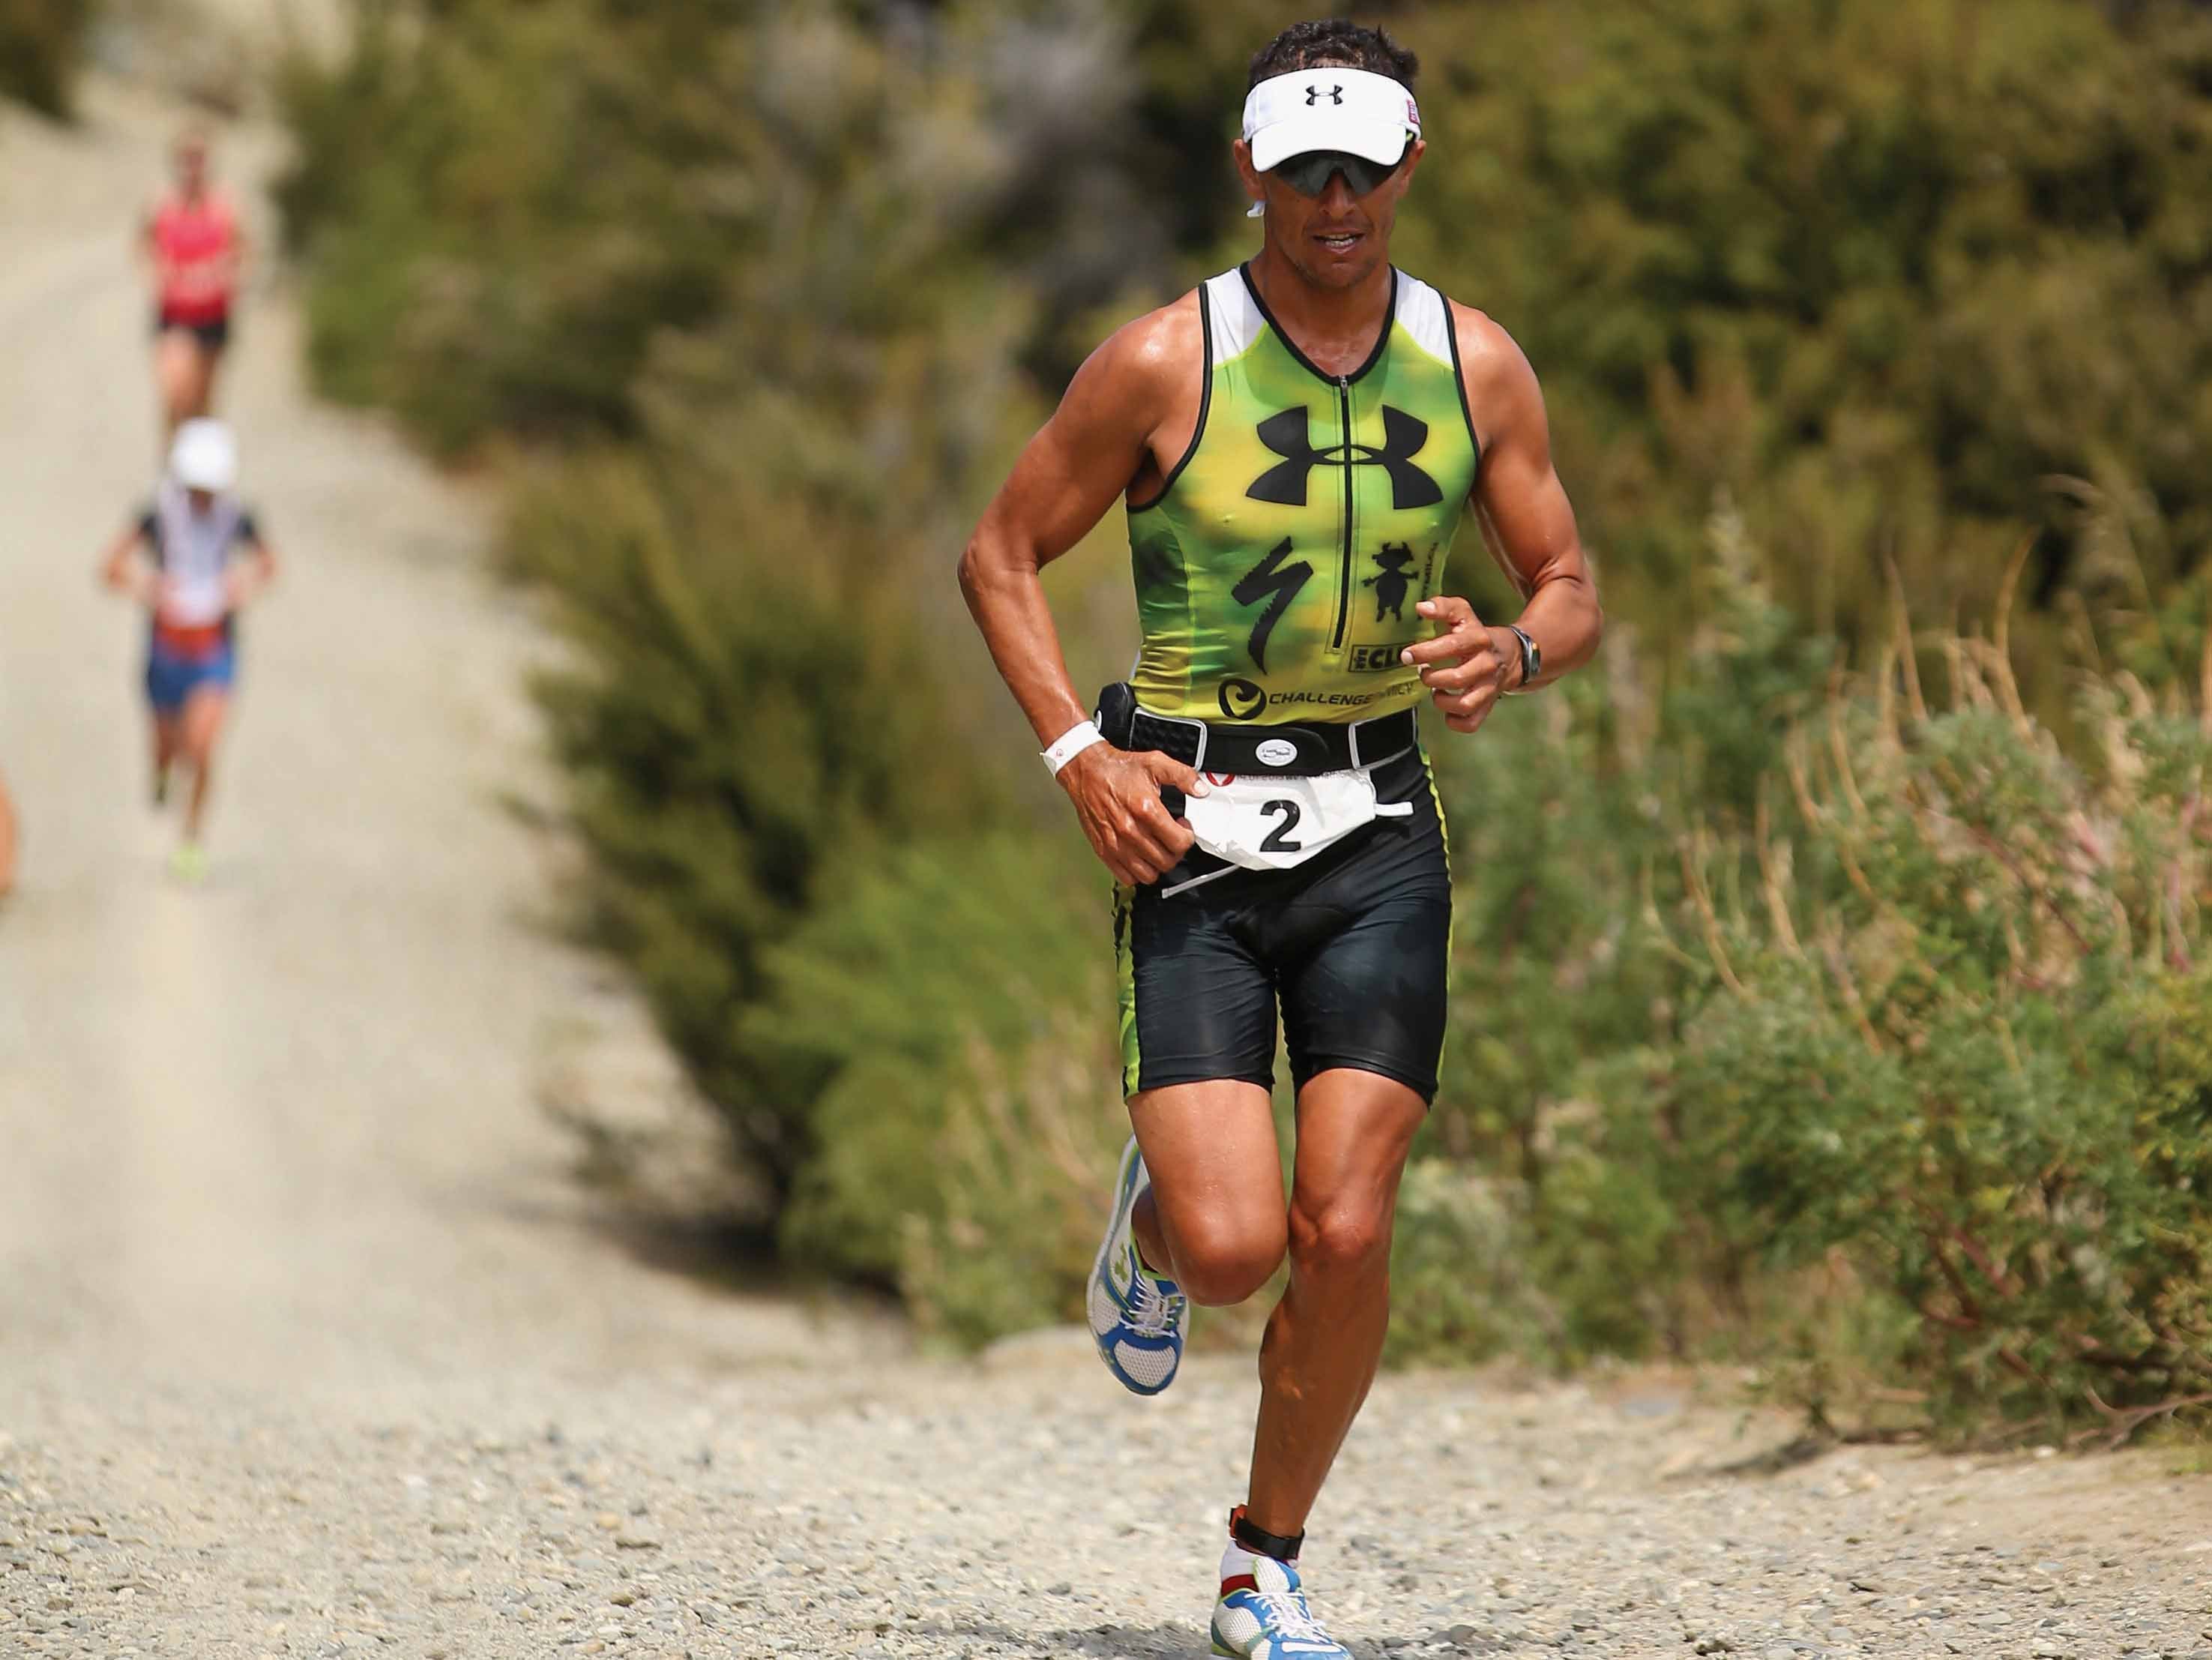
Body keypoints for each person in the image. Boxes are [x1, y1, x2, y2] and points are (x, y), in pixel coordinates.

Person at [957, 20, 1602, 1659]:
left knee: (1349, 1223)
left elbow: (1566, 583)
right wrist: (1073, 751)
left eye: (1362, 166)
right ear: (1249, 170)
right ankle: (1164, 1218)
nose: (1334, 198)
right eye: (1303, 167)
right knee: (1239, 1247)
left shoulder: (1473, 364)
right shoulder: (1163, 361)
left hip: (1376, 819)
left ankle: (1262, 1564)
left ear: (1405, 167)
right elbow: (1000, 553)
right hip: (1184, 828)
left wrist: (1510, 650)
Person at [99, 419, 277, 881]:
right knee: (167, 748)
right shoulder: (157, 514)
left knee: (201, 748)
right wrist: (148, 587)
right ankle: (159, 774)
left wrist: (242, 587)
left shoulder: (237, 516)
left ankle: (191, 840)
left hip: (214, 649)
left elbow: (269, 564)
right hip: (166, 648)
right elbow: (110, 566)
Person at [143, 126, 245, 442]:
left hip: (213, 312)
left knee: (203, 401)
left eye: (198, 158)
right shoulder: (162, 204)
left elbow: (243, 250)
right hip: (175, 312)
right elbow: (144, 245)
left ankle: (198, 476)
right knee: (176, 393)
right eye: (186, 158)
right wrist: (160, 273)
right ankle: (171, 466)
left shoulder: (225, 206)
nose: (192, 165)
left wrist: (224, 274)